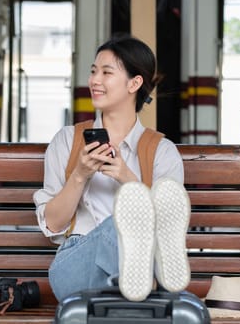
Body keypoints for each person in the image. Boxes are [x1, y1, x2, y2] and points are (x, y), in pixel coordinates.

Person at [33, 34, 191, 302]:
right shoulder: (67, 141)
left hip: (136, 277)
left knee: (136, 221)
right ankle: (150, 277)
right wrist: (80, 175)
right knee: (121, 225)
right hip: (75, 267)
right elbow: (53, 224)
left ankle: (139, 278)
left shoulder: (162, 152)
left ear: (135, 83)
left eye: (107, 72)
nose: (95, 80)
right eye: (94, 72)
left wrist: (127, 179)